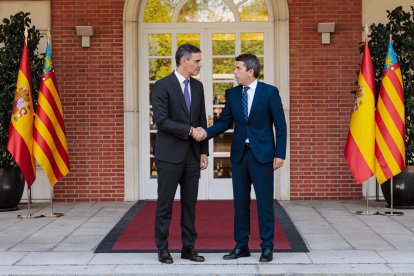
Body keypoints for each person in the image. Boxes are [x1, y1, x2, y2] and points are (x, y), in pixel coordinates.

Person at [193, 54, 287, 262]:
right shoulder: (233, 94)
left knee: (264, 204)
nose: (234, 72)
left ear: (250, 71)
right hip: (239, 156)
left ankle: (267, 247)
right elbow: (225, 122)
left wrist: (280, 153)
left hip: (262, 156)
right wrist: (205, 133)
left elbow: (280, 125)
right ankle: (241, 246)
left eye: (238, 68)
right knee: (240, 204)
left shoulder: (269, 92)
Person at [152, 44, 209, 264]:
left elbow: (201, 120)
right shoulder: (161, 86)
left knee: (189, 205)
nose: (199, 65)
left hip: (193, 156)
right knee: (164, 204)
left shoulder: (198, 86)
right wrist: (189, 131)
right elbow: (162, 121)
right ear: (183, 61)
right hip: (169, 155)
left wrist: (204, 151)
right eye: (196, 61)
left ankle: (188, 247)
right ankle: (163, 249)